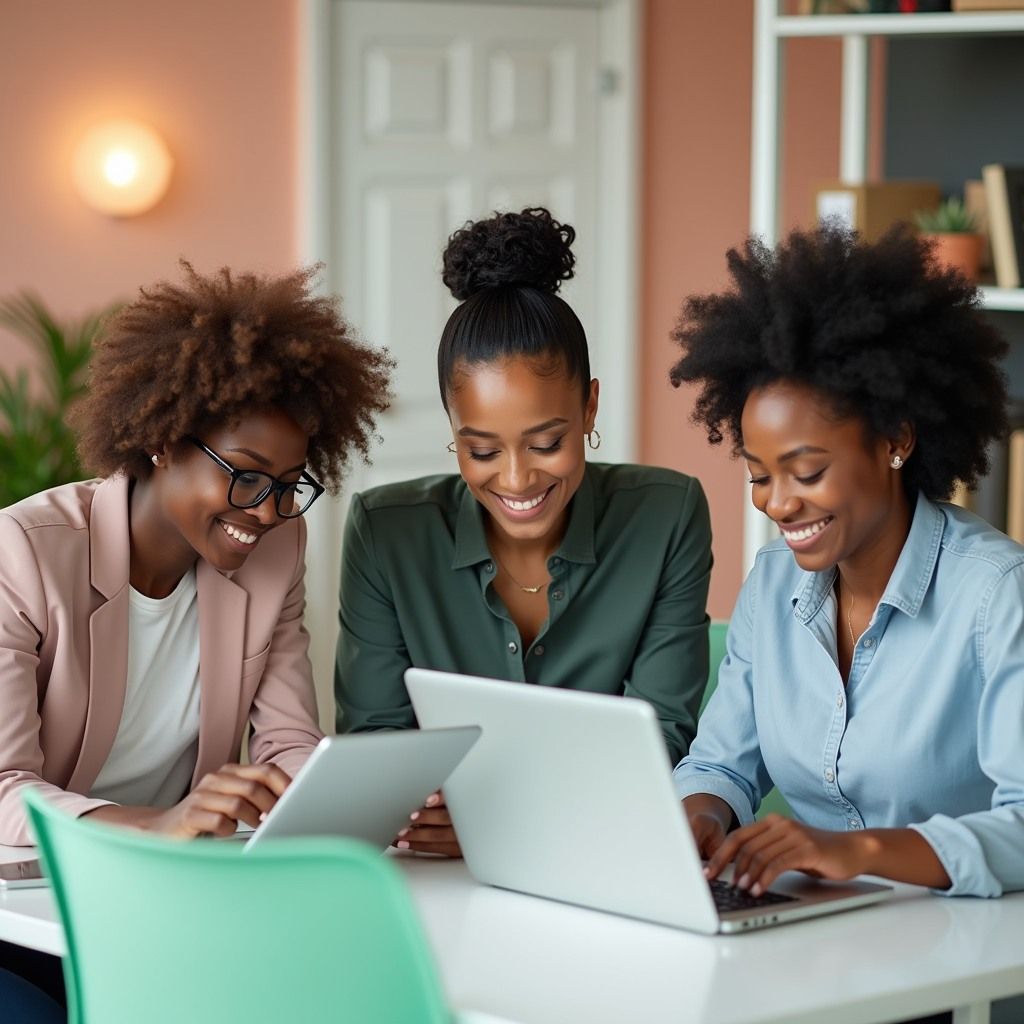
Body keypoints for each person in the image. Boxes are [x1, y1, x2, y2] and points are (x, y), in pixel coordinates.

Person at [0, 263, 391, 1010]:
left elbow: (287, 743)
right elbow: (2, 792)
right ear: (161, 441)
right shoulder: (23, 553)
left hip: (166, 906)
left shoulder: (276, 553)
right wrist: (158, 824)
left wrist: (352, 797)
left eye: (289, 484)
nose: (268, 511)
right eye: (245, 475)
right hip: (24, 918)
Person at [335, 207, 712, 856]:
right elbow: (376, 744)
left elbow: (661, 739)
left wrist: (495, 820)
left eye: (546, 443)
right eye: (480, 450)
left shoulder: (667, 515)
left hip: (594, 858)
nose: (515, 479)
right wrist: (432, 815)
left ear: (590, 406)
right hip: (433, 874)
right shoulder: (384, 533)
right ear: (452, 431)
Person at [669, 223, 1024, 906]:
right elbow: (718, 763)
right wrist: (701, 818)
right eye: (758, 475)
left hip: (952, 954)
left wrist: (853, 851)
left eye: (806, 471)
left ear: (895, 440)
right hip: (812, 936)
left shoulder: (995, 596)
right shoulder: (774, 586)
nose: (777, 503)